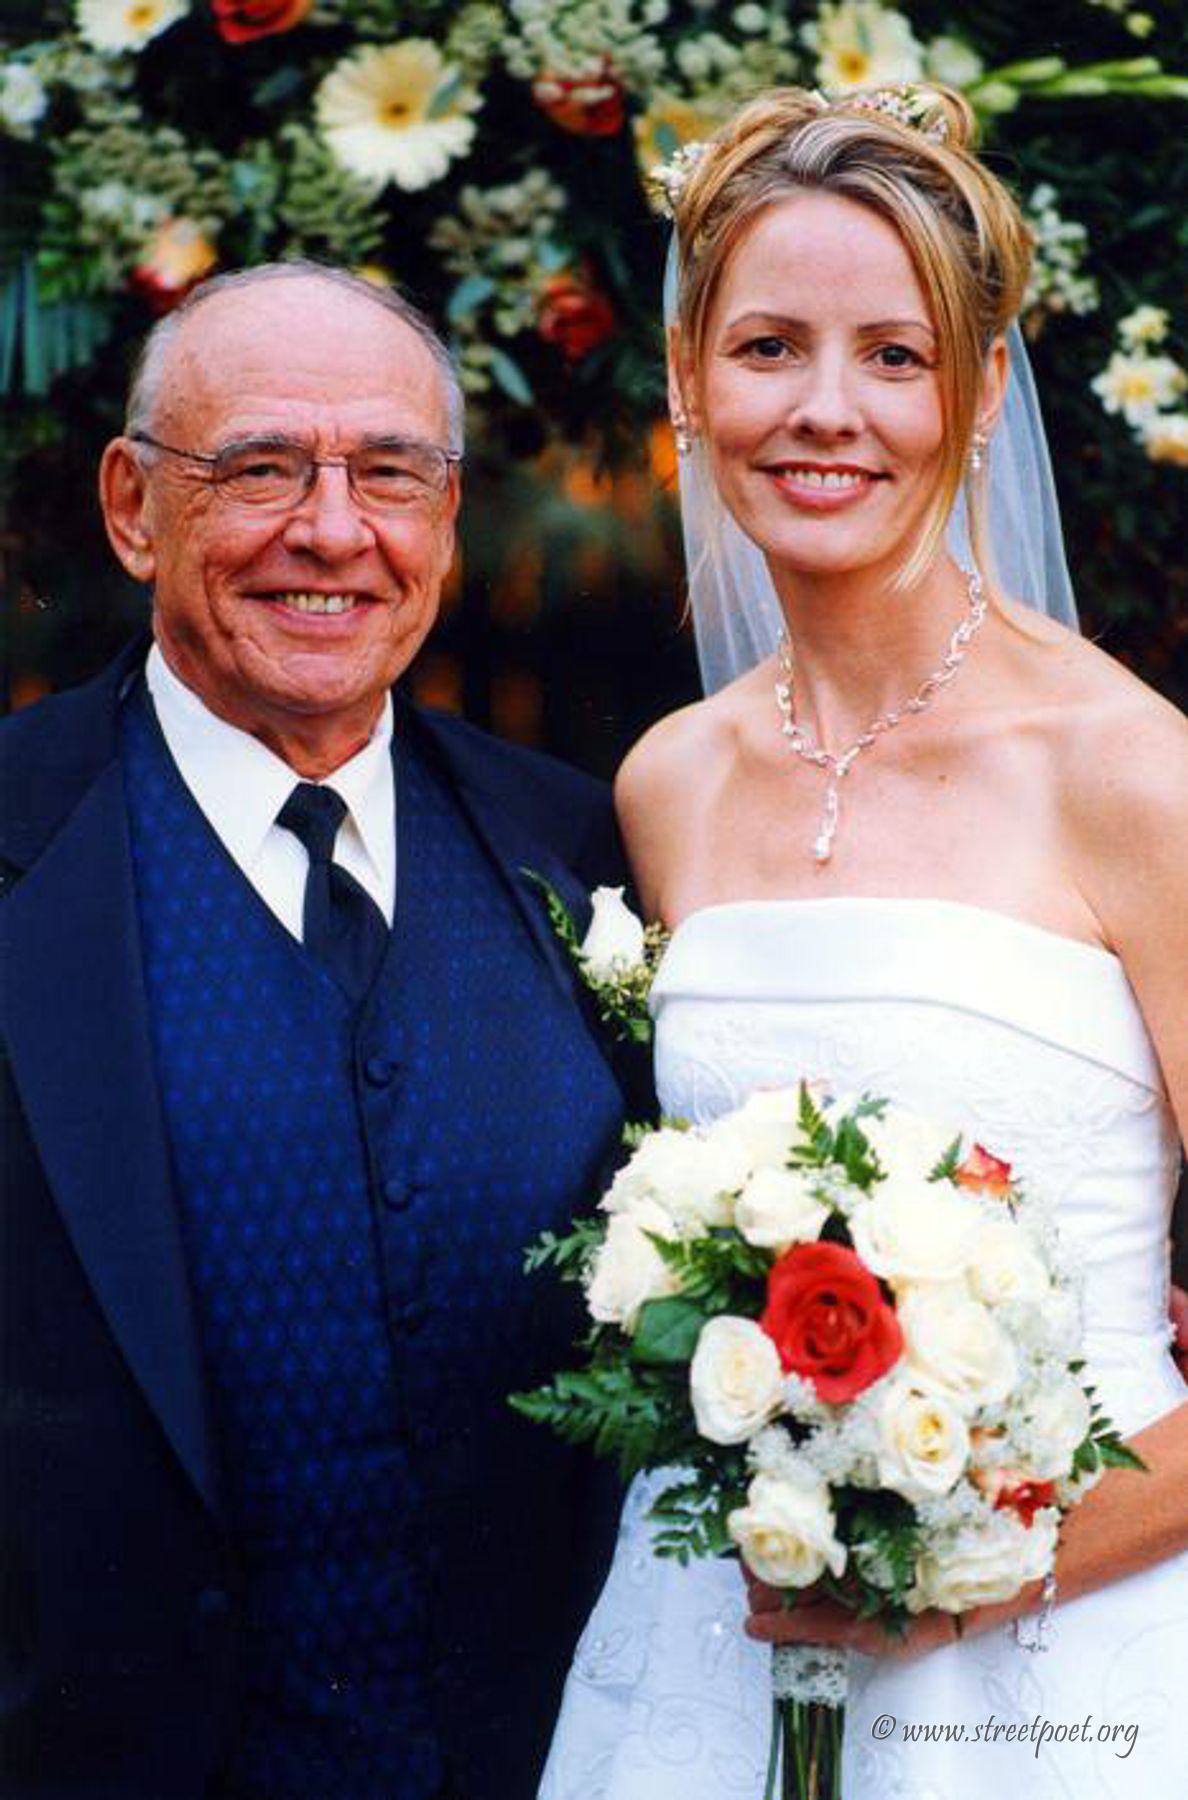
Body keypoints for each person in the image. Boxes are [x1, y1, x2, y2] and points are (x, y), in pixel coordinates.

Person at [541, 85, 1188, 1799]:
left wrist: (955, 1586)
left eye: (895, 356)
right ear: (689, 380)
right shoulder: (671, 784)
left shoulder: (1134, 777)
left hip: (1062, 1670)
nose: (825, 410)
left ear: (982, 393)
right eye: (768, 347)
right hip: (716, 1624)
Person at [0, 264, 633, 1800]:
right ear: (134, 508)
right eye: (263, 468)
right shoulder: (18, 841)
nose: (335, 530)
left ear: (448, 518)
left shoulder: (581, 848)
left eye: (390, 474)